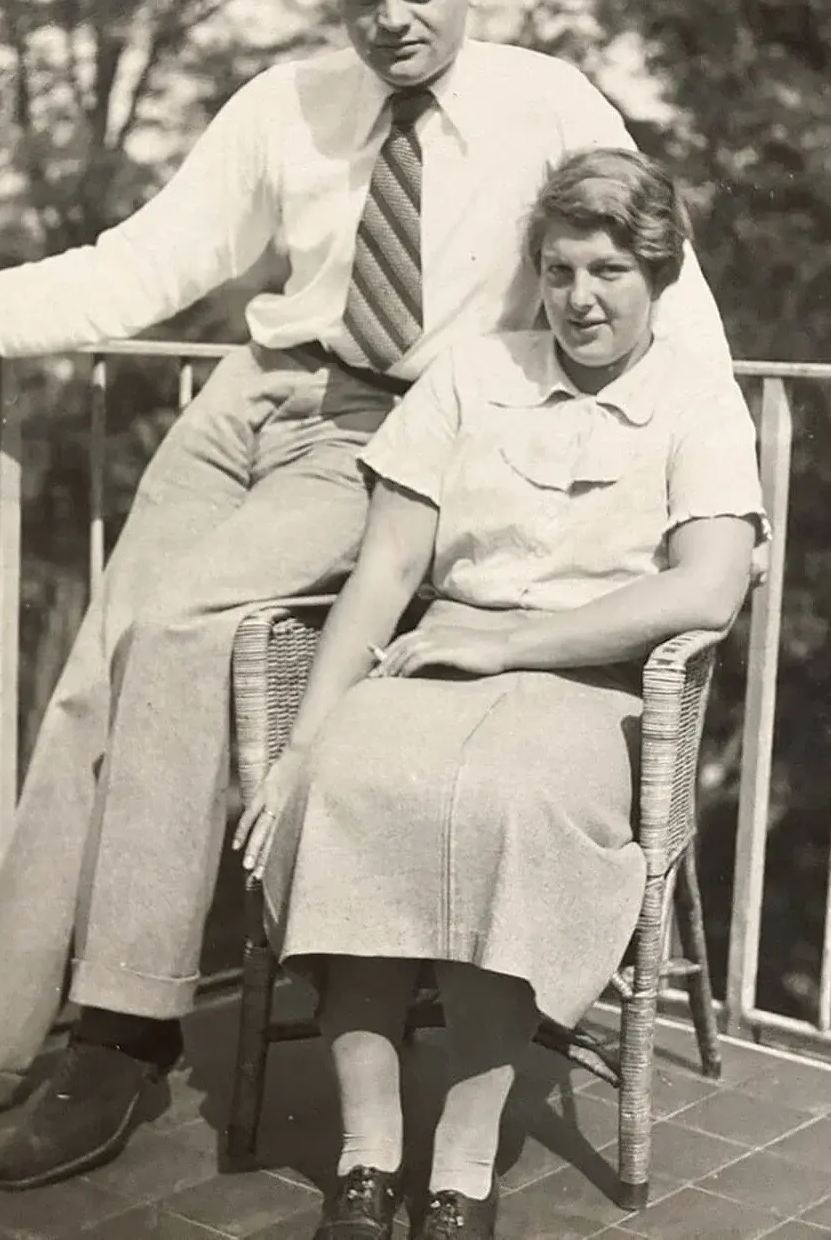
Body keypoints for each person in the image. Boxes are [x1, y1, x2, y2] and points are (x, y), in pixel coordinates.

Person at [0, 0, 732, 1191]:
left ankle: (121, 1033)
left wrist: (699, 461)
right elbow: (140, 264)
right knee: (96, 665)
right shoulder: (286, 103)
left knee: (182, 628)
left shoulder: (549, 101)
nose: (393, 21)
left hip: (392, 429)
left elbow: (663, 280)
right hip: (254, 401)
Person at [233, 148, 766, 1240]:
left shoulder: (697, 401)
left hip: (594, 689)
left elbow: (708, 585)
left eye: (610, 270)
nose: (580, 298)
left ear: (658, 277)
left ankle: (461, 1174)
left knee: (506, 809)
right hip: (438, 665)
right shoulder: (474, 375)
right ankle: (367, 1160)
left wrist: (514, 643)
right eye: (560, 269)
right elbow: (384, 572)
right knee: (351, 784)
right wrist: (300, 747)